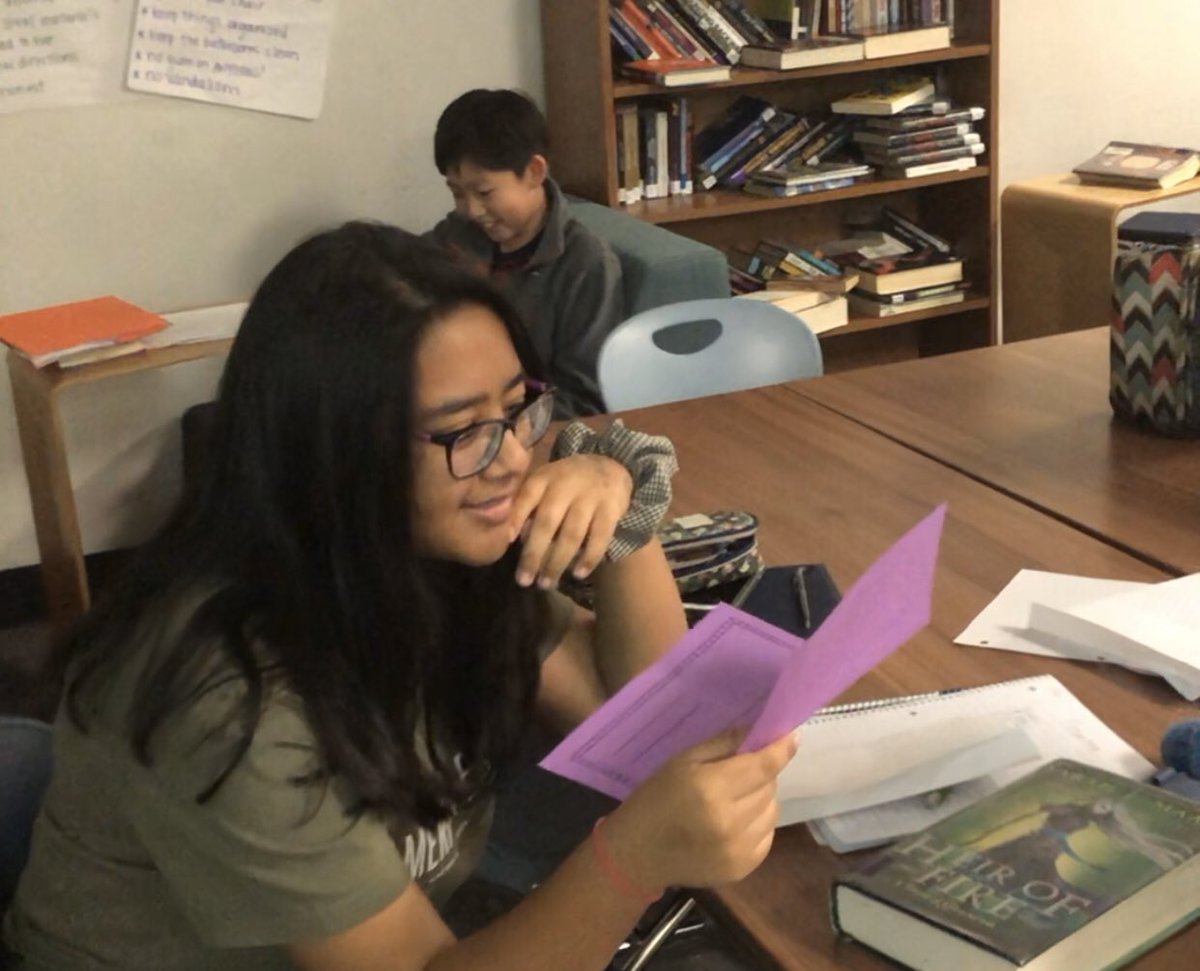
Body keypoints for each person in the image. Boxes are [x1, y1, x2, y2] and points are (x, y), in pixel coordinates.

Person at [2, 224, 794, 971]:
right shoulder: (227, 696)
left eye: (518, 407)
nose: (513, 456)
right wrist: (629, 860)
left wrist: (619, 515)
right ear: (335, 457)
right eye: (462, 431)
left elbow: (645, 729)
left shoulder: (437, 551)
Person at [427, 88, 622, 419]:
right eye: (457, 193)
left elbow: (584, 398)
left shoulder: (585, 265)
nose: (472, 210)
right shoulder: (456, 237)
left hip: (529, 425)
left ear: (534, 172)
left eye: (484, 192)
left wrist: (499, 424)